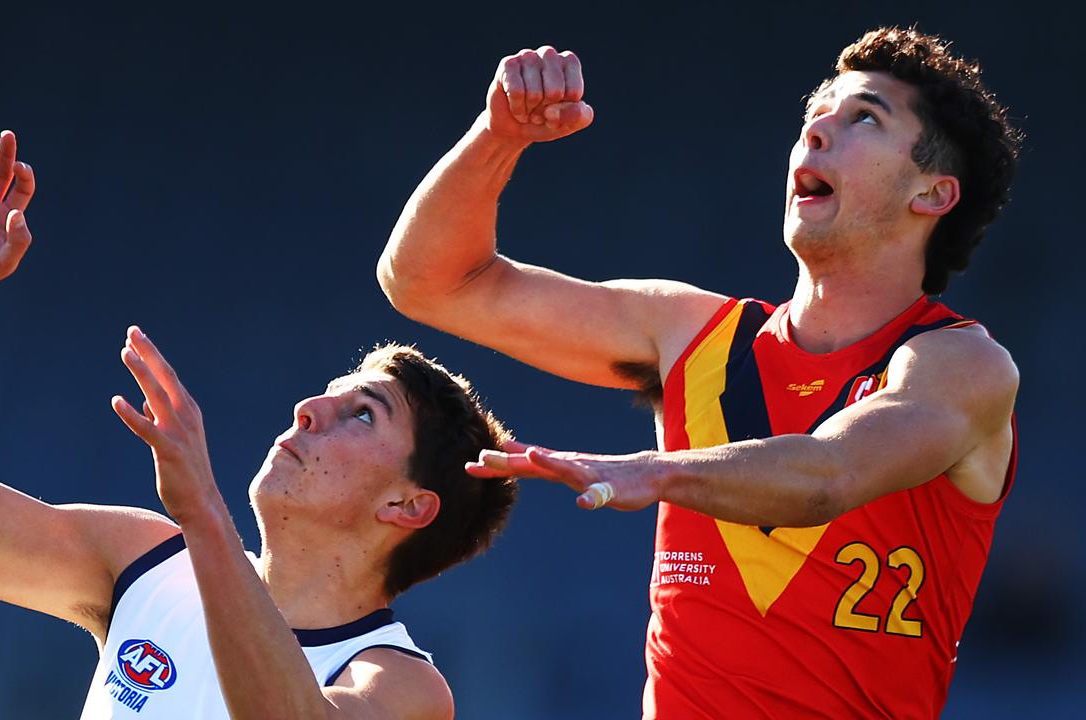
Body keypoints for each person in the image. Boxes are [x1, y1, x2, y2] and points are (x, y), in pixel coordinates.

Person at [378, 27, 1020, 719]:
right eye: (816, 112)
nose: (819, 129)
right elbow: (426, 282)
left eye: (864, 116)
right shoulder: (692, 334)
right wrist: (498, 136)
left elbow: (830, 477)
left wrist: (655, 472)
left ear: (933, 194)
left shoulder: (959, 364)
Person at [0, 121, 517, 719]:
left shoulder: (400, 684)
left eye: (362, 415)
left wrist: (206, 512)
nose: (310, 410)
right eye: (329, 395)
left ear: (406, 504)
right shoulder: (146, 563)